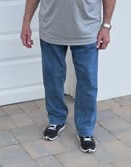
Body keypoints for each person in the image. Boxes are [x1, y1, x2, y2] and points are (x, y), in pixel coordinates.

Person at [21, 0, 116, 153]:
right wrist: (26, 22)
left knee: (88, 82)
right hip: (51, 29)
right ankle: (56, 119)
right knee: (52, 79)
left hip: (86, 30)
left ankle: (85, 129)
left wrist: (106, 26)